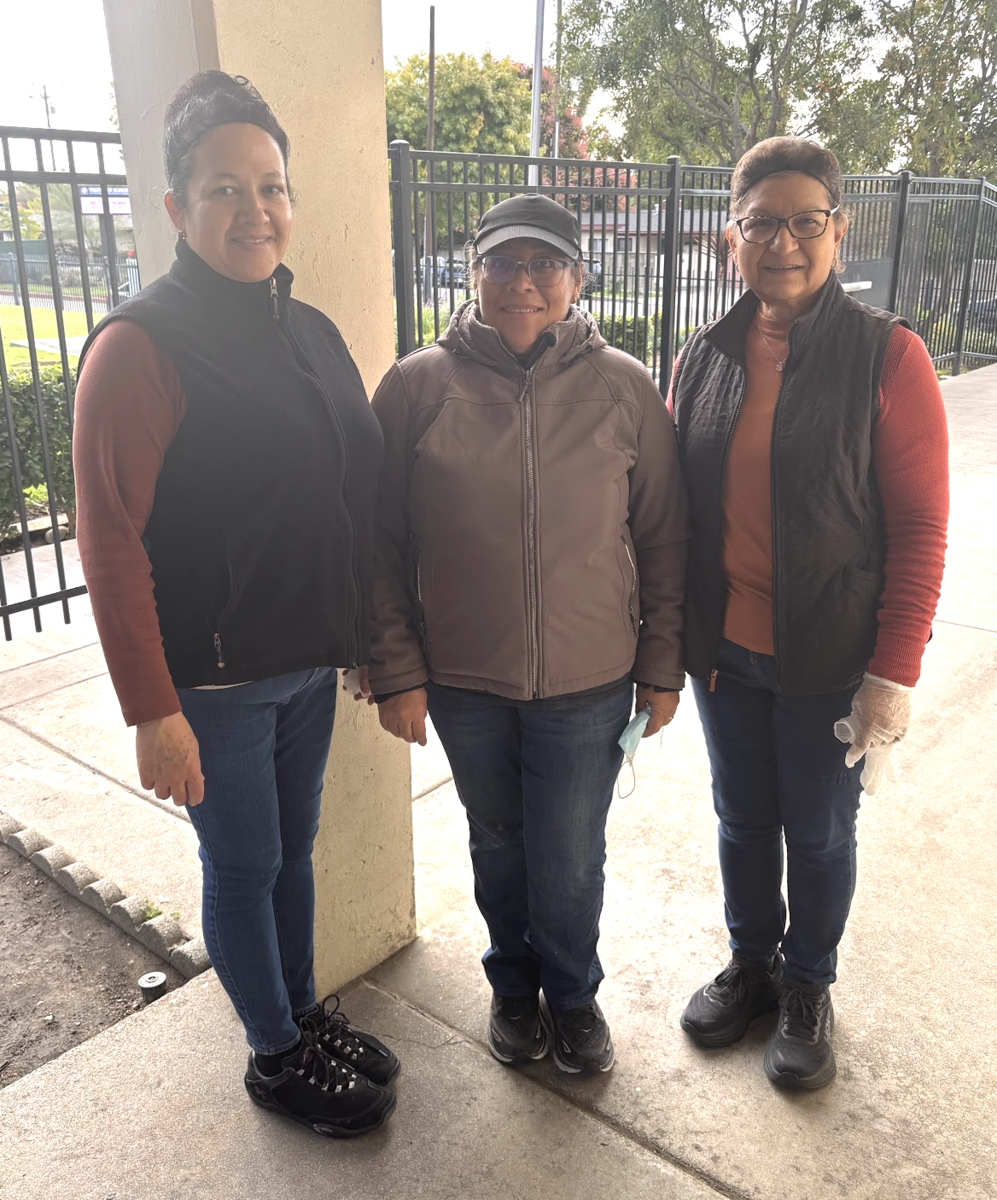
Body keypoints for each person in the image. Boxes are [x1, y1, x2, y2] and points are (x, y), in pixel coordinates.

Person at [72, 71, 399, 1138]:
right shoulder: (141, 347)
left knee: (287, 855)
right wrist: (150, 710)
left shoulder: (304, 330)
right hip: (211, 684)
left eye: (271, 186)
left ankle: (300, 1014)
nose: (253, 210)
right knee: (244, 863)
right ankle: (272, 1057)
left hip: (304, 662)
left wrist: (352, 633)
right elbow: (110, 537)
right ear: (174, 208)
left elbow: (347, 492)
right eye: (223, 189)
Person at [368, 193, 687, 1074]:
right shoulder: (416, 386)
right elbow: (376, 542)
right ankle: (513, 988)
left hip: (589, 685)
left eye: (544, 265)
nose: (522, 283)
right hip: (464, 682)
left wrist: (661, 667)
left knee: (571, 858)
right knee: (498, 846)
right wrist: (396, 670)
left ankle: (573, 997)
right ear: (472, 276)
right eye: (502, 264)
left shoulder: (622, 386)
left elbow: (662, 536)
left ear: (576, 280)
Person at [670, 137, 949, 1090]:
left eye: (803, 221)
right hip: (726, 655)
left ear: (839, 229)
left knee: (820, 831)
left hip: (830, 660)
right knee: (741, 819)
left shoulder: (888, 355)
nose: (780, 242)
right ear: (730, 237)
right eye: (759, 224)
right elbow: (678, 514)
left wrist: (892, 673)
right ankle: (753, 967)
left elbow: (918, 528)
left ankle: (807, 985)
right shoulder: (700, 359)